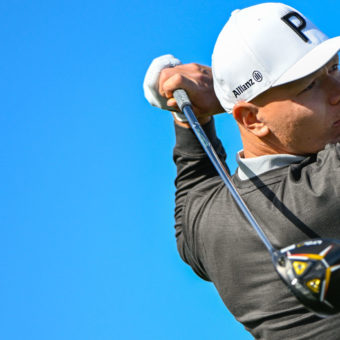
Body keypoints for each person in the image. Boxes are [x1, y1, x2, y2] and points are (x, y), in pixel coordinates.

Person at [143, 3, 340, 339]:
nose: (337, 92)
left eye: (334, 68)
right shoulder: (325, 188)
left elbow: (195, 174)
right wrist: (216, 98)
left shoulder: (203, 225)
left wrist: (190, 114)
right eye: (308, 87)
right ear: (251, 119)